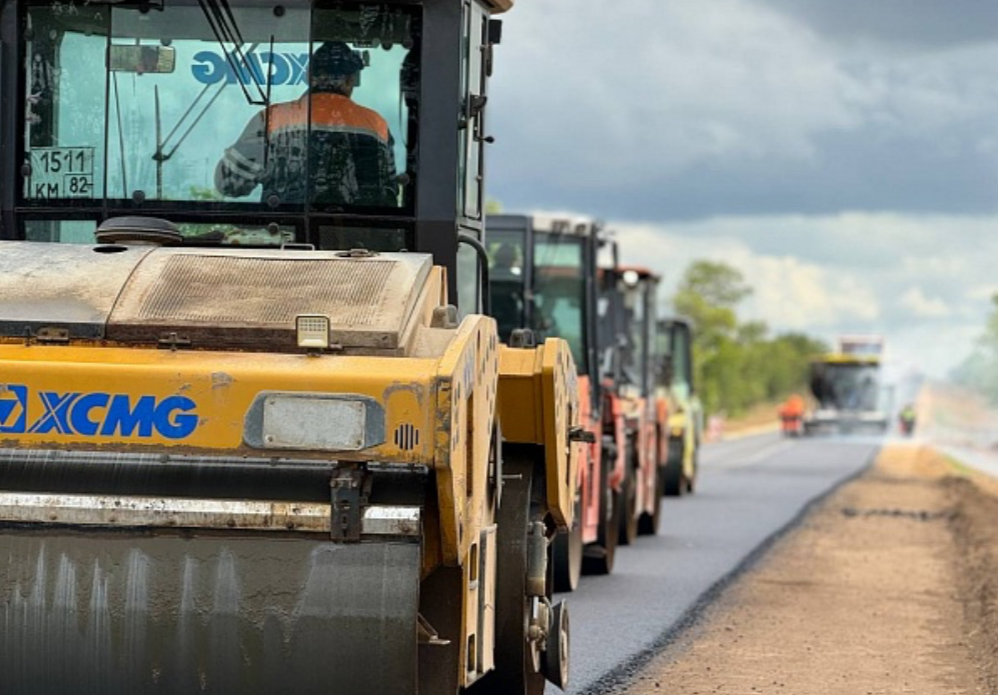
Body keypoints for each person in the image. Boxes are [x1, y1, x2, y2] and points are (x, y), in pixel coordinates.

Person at [215, 41, 398, 207]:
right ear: (351, 80)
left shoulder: (272, 119)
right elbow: (389, 192)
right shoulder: (375, 124)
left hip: (284, 230)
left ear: (308, 76)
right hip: (356, 232)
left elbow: (228, 182)